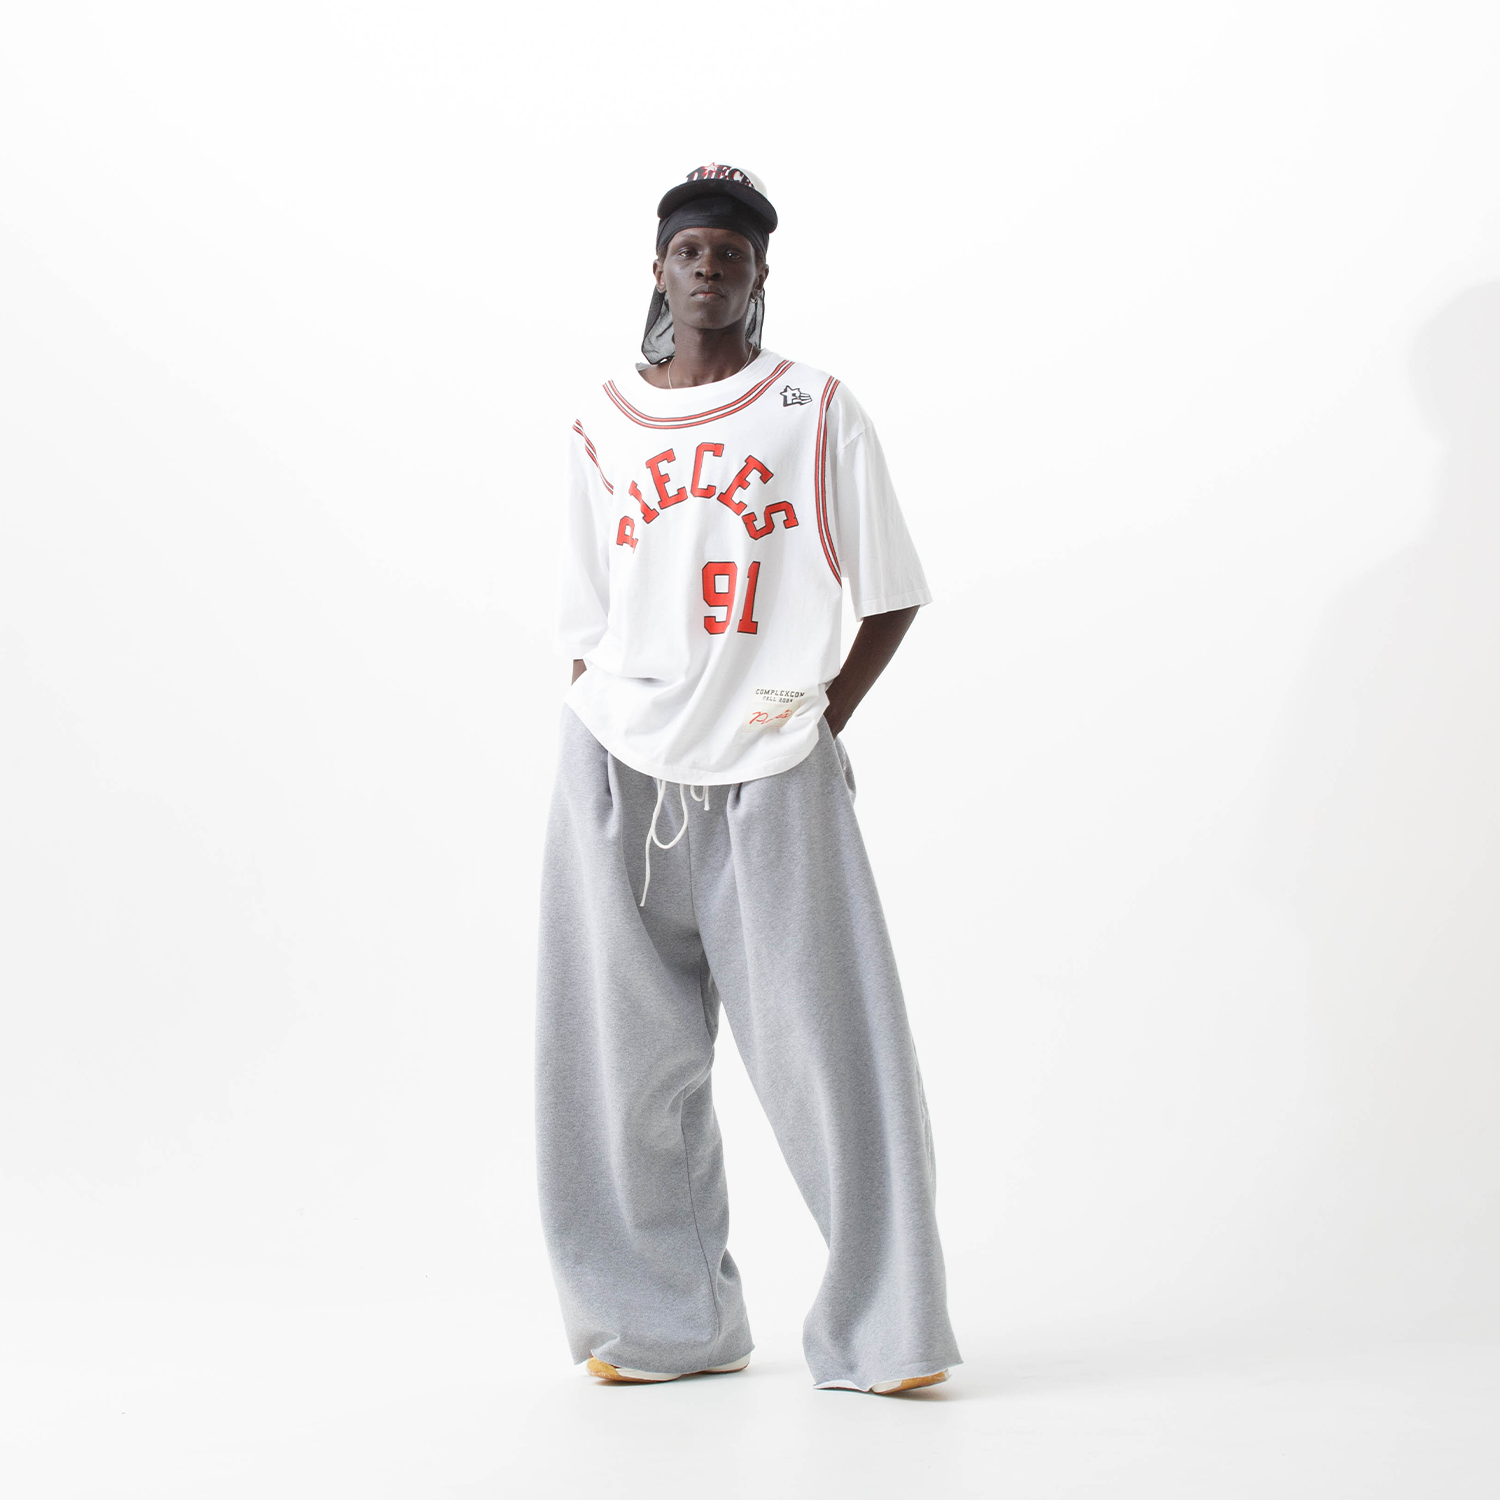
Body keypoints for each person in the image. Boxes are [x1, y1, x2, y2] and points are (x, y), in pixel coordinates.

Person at [535, 164, 962, 1395]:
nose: (710, 265)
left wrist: (814, 716)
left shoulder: (812, 409)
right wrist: (608, 714)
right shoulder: (604, 420)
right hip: (615, 766)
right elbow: (584, 615)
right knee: (615, 1066)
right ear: (659, 271)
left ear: (760, 273)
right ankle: (658, 1326)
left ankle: (886, 1335)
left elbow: (890, 593)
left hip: (773, 770)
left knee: (835, 1058)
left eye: (731, 250)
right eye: (690, 249)